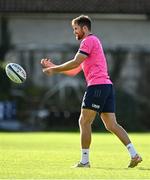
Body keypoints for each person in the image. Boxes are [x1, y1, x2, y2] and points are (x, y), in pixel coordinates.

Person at [40, 15, 142, 168]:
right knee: (111, 125)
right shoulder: (92, 43)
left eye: (76, 29)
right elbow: (75, 69)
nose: (74, 32)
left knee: (84, 121)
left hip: (97, 87)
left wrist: (54, 69)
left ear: (84, 28)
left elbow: (75, 62)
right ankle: (134, 155)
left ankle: (85, 161)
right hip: (106, 86)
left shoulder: (88, 41)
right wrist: (53, 67)